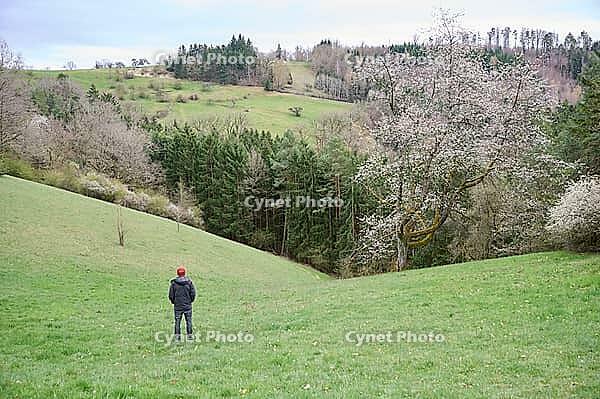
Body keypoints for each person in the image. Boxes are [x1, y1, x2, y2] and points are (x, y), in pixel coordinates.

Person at [168, 266, 196, 341]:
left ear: (177, 273)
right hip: (187, 305)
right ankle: (189, 336)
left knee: (177, 321)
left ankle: (177, 337)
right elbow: (193, 294)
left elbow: (171, 295)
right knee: (189, 321)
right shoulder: (189, 282)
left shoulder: (174, 284)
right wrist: (190, 301)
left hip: (178, 306)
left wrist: (174, 302)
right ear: (184, 273)